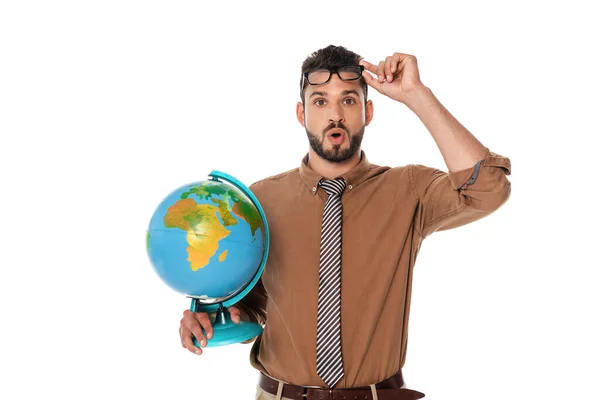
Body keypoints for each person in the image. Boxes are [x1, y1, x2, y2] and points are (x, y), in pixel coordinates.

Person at [179, 45, 511, 399]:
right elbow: (256, 308)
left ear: (368, 112)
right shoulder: (258, 202)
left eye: (349, 101)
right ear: (301, 113)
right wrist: (216, 322)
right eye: (320, 102)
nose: (334, 115)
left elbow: (488, 189)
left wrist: (417, 95)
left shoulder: (409, 189)